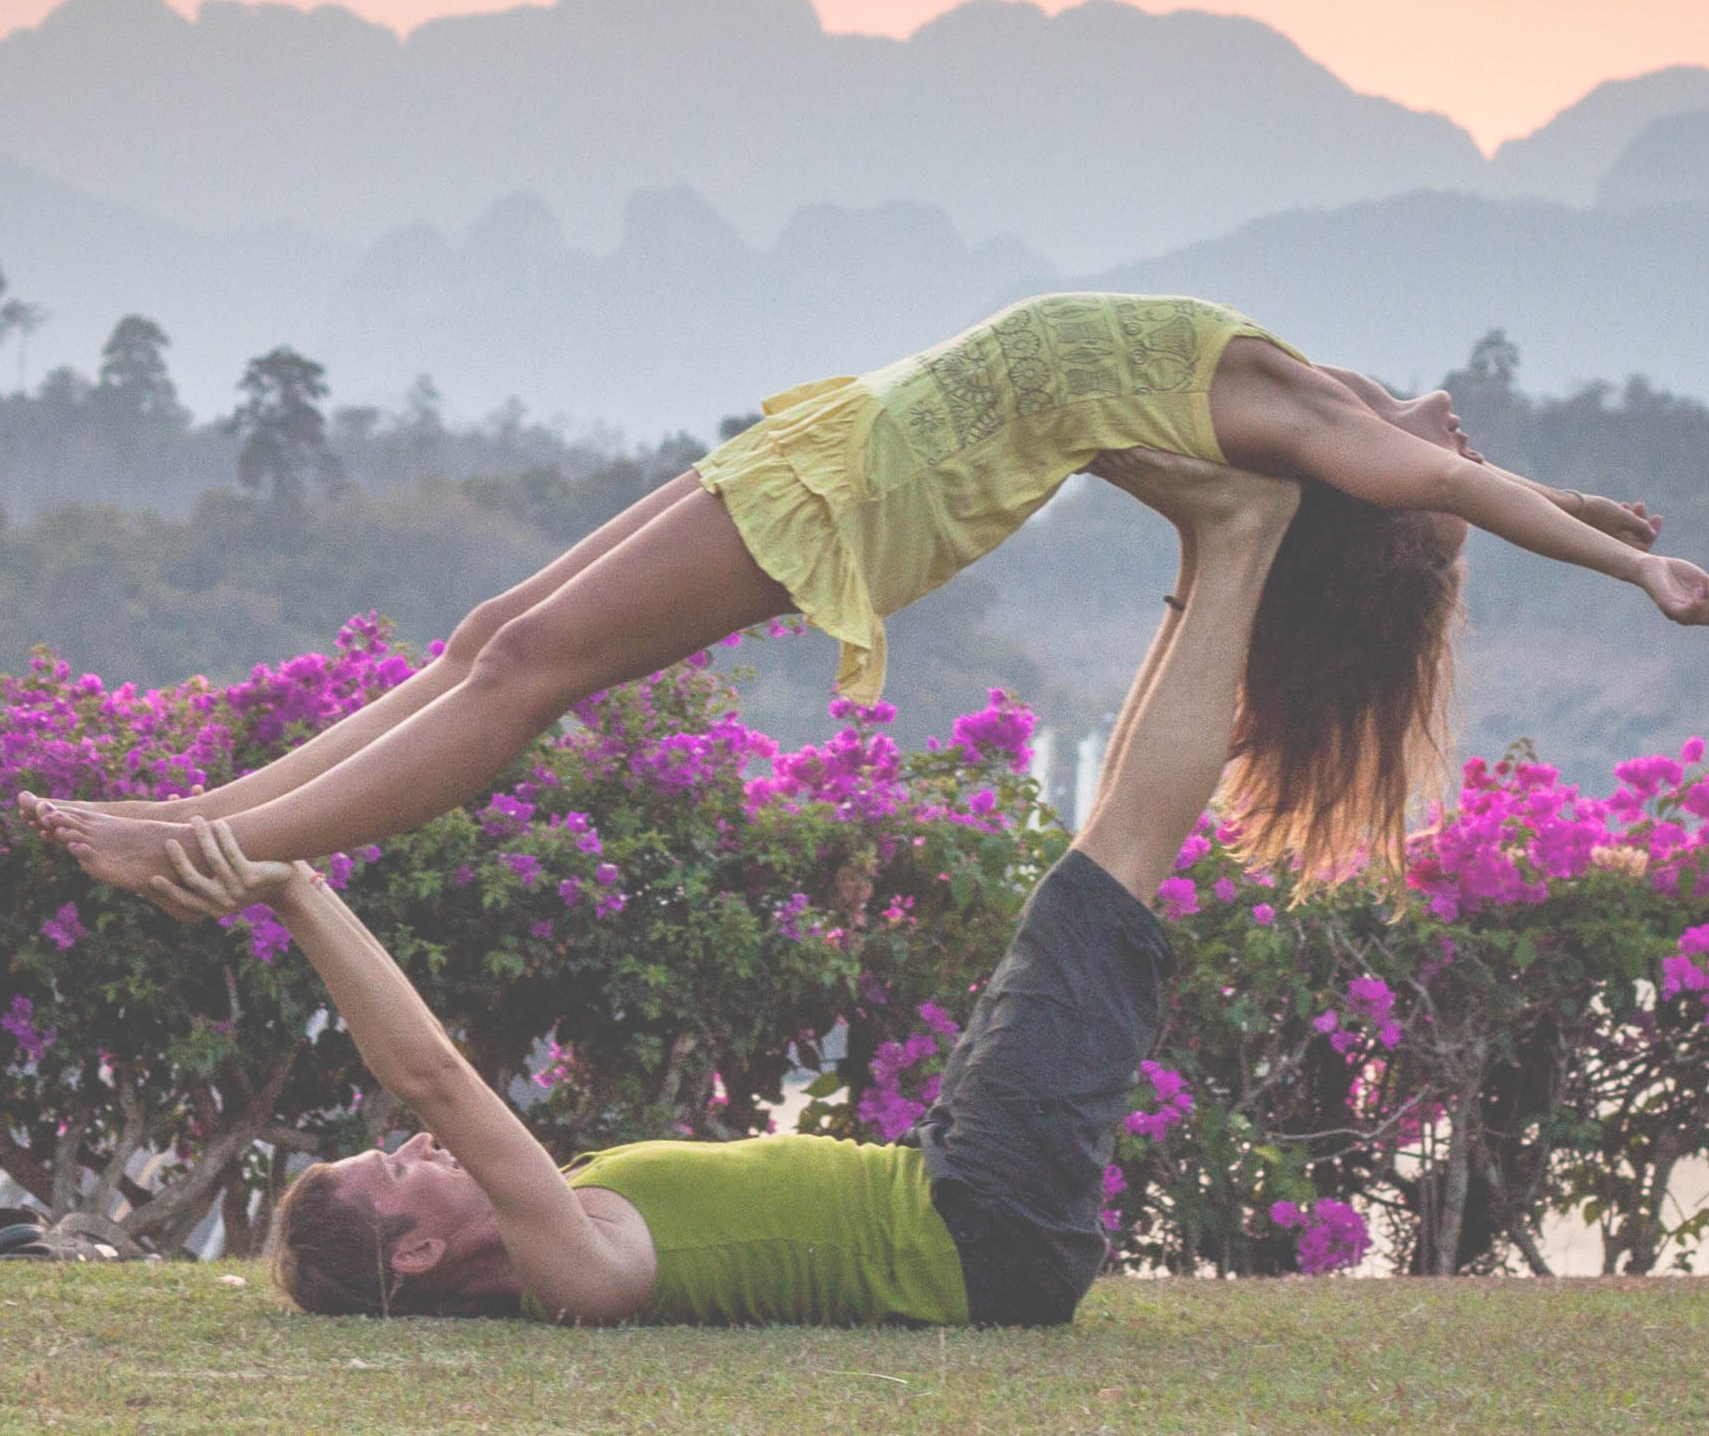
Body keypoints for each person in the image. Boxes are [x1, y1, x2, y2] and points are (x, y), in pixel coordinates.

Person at [149, 452, 1346, 1323]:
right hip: (985, 1226)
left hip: (957, 1188)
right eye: (397, 1169)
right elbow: (432, 1074)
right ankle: (1239, 538)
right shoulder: (571, 1270)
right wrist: (294, 882)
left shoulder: (568, 1228)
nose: (417, 1141)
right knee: (1106, 881)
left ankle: (1218, 546)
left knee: (1089, 881)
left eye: (399, 1147)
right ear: (412, 1256)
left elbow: (430, 1096)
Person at [39, 292, 1709, 894]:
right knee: (497, 631)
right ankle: (199, 808)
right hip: (857, 432)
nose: (1462, 431)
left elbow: (1450, 483)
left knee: (533, 669)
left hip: (884, 489)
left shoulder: (1340, 437)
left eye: (1447, 473)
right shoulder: (1331, 400)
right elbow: (1465, 471)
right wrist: (1588, 504)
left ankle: (220, 853)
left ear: (1370, 492)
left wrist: (1635, 568)